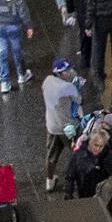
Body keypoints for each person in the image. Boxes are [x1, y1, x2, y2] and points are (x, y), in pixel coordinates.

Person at [41, 57, 83, 189]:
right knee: (78, 153)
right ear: (58, 73)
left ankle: (49, 181)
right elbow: (79, 100)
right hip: (69, 128)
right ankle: (80, 180)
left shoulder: (47, 81)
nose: (69, 72)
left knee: (51, 155)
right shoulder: (68, 87)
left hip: (52, 126)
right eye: (66, 70)